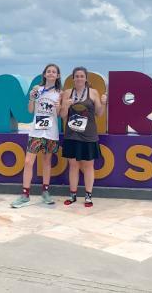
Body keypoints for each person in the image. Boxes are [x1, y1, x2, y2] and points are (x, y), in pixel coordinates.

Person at [10, 64, 63, 208]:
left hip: (51, 132)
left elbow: (59, 115)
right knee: (28, 162)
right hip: (36, 131)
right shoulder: (37, 90)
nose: (51, 73)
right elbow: (30, 110)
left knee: (46, 162)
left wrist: (59, 107)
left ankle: (45, 191)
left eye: (54, 72)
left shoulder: (60, 93)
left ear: (58, 76)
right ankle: (25, 194)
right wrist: (32, 99)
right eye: (49, 71)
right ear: (44, 74)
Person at [60, 66, 107, 207]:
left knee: (88, 165)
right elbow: (62, 115)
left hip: (88, 135)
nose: (79, 78)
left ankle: (88, 196)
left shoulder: (93, 93)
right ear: (73, 78)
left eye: (81, 76)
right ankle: (73, 195)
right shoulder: (68, 93)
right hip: (71, 135)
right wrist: (66, 106)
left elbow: (99, 113)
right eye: (76, 76)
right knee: (73, 165)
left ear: (86, 78)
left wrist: (104, 103)